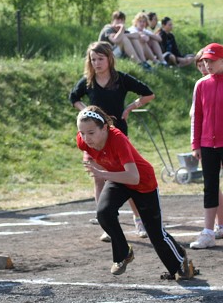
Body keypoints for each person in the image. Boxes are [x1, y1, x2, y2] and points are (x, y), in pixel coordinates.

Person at [77, 106, 195, 279]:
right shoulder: (83, 141)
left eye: (91, 132)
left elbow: (133, 177)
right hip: (118, 179)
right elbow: (98, 156)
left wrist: (102, 174)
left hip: (142, 182)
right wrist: (100, 169)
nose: (86, 138)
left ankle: (180, 262)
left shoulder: (117, 139)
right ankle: (124, 253)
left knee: (156, 235)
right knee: (104, 213)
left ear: (104, 128)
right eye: (81, 133)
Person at [69, 41, 155, 242]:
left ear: (109, 58)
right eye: (93, 59)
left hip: (117, 136)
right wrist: (85, 111)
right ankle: (107, 224)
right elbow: (73, 97)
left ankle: (138, 219)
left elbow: (148, 93)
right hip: (94, 138)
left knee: (126, 178)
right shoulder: (88, 81)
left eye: (100, 58)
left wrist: (130, 108)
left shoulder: (121, 79)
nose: (97, 63)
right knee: (99, 179)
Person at [189, 43, 223, 249]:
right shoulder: (201, 84)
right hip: (207, 144)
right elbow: (197, 116)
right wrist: (196, 144)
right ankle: (208, 233)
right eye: (204, 61)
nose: (207, 64)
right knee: (210, 187)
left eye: (211, 60)